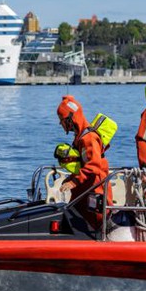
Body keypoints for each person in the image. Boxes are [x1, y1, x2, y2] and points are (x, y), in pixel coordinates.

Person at [56, 95, 111, 229]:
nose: (61, 125)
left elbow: (93, 165)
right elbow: (83, 164)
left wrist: (73, 182)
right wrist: (71, 178)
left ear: (70, 118)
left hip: (94, 187)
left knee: (96, 223)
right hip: (84, 187)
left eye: (62, 121)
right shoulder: (80, 137)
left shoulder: (88, 139)